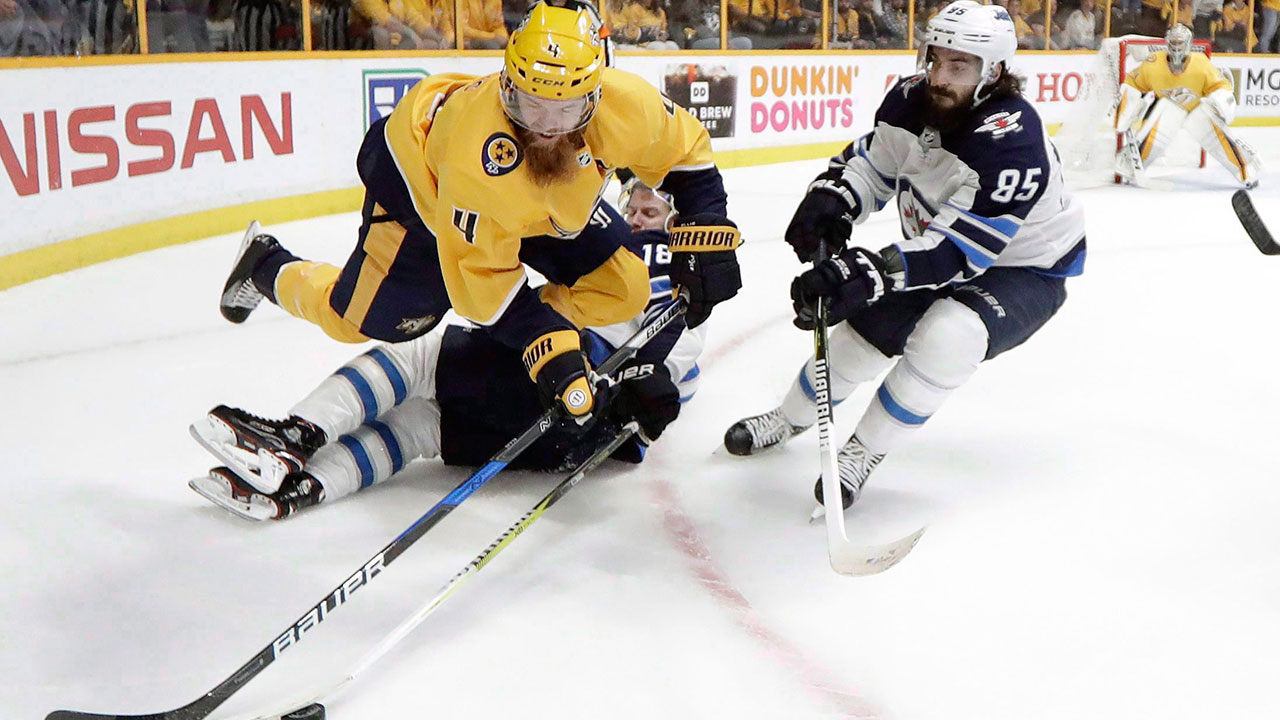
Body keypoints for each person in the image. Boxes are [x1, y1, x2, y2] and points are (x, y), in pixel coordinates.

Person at [217, 2, 739, 457]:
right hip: (424, 194)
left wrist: (705, 230)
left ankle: (530, 346)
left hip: (538, 205)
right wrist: (545, 342)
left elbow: (686, 152)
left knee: (623, 287)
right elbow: (482, 283)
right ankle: (266, 264)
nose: (545, 128)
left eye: (565, 111)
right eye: (531, 105)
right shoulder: (477, 158)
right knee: (357, 318)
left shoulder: (622, 103)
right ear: (508, 85)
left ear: (593, 97)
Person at [723, 0, 1086, 513]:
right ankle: (788, 418)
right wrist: (836, 197)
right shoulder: (911, 101)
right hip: (935, 246)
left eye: (959, 66)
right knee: (859, 340)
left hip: (1022, 269)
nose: (939, 76)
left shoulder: (1012, 143)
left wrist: (868, 272)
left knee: (947, 337)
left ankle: (863, 452)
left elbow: (961, 250)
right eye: (935, 59)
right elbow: (875, 166)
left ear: (995, 72)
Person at [190, 179, 704, 520]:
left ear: (673, 222)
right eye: (632, 208)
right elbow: (672, 380)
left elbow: (655, 363)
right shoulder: (688, 303)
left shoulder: (635, 256)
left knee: (416, 361)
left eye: (649, 210)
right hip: (570, 443)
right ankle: (302, 490)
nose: (636, 218)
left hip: (555, 378)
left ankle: (294, 437)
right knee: (418, 431)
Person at [1113, 23, 1261, 188]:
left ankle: (1244, 168)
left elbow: (1222, 86)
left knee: (1203, 122)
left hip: (1196, 111)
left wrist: (1220, 101)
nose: (1177, 47)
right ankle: (1132, 164)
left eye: (1180, 43)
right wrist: (1128, 104)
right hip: (1169, 111)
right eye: (1173, 42)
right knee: (1167, 112)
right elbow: (1132, 82)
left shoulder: (1200, 64)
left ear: (1189, 44)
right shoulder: (1153, 64)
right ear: (1167, 43)